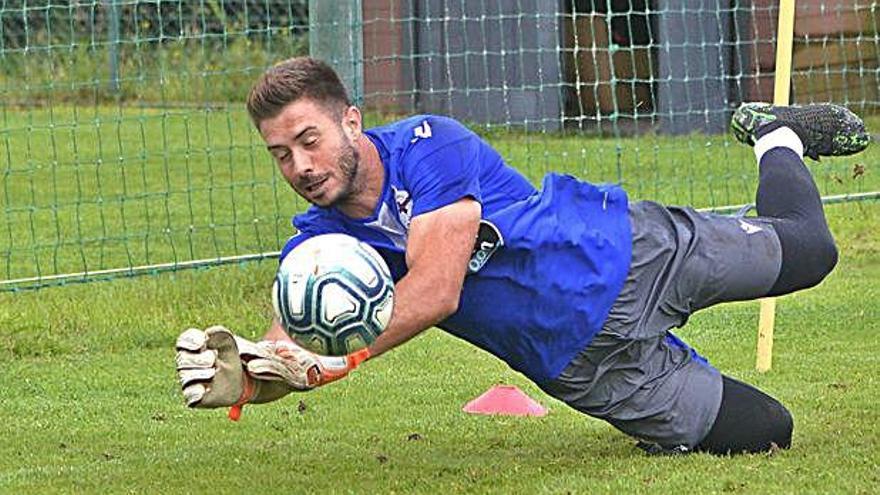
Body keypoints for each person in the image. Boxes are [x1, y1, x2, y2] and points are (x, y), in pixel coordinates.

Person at [175, 57, 870, 455]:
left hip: (625, 255)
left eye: (309, 139)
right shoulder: (318, 246)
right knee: (768, 432)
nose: (299, 165)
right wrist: (250, 375)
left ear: (350, 119)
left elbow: (436, 287)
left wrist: (316, 364)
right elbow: (289, 343)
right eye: (280, 154)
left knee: (812, 251)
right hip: (586, 367)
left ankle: (775, 136)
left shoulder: (429, 145)